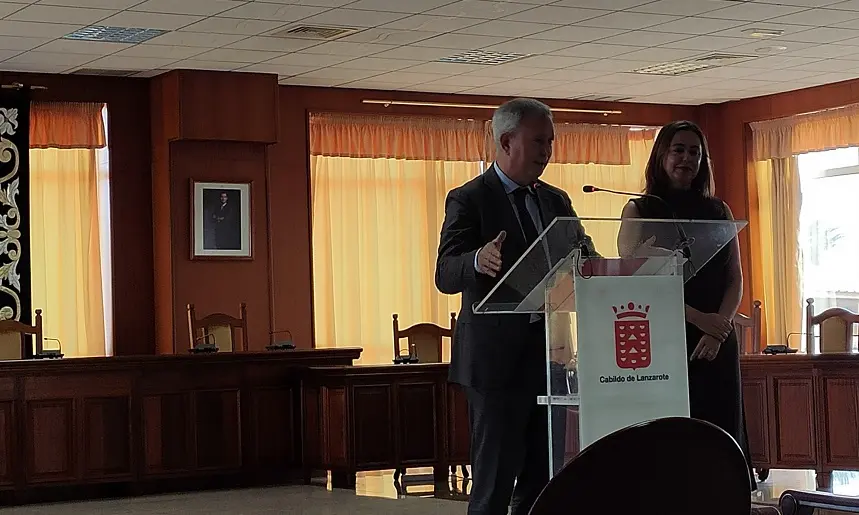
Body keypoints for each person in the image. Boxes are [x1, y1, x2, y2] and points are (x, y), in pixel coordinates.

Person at [435, 98, 595, 515]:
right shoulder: (470, 198)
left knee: (545, 480)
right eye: (538, 141)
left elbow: (585, 256)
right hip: (495, 365)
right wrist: (476, 260)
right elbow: (445, 273)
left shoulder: (556, 201)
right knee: (495, 482)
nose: (547, 151)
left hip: (550, 359)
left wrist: (606, 264)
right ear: (506, 141)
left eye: (551, 142)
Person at [616, 120, 757, 492]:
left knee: (720, 435)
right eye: (678, 149)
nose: (686, 158)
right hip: (668, 341)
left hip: (717, 341)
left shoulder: (718, 210)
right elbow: (641, 284)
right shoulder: (640, 210)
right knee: (675, 442)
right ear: (662, 154)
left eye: (694, 152)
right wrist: (698, 320)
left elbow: (734, 279)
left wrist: (720, 327)